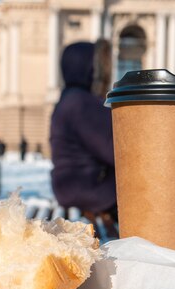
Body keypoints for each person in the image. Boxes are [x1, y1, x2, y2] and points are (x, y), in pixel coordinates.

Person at [49, 41, 117, 224]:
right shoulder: (83, 103)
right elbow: (115, 151)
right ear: (90, 69)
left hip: (69, 186)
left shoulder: (68, 98)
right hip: (91, 189)